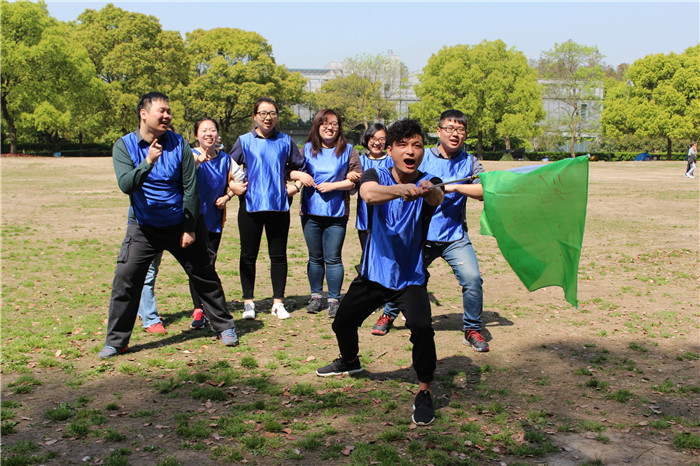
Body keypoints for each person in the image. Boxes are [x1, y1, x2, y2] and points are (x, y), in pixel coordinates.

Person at [316, 119, 444, 426]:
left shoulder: (429, 180)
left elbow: (439, 197)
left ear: (422, 150)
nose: (410, 151)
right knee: (342, 323)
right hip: (374, 274)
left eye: (416, 145)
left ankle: (424, 390)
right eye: (402, 145)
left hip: (410, 277)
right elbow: (368, 194)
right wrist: (400, 190)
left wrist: (427, 192)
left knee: (422, 329)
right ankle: (350, 362)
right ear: (390, 150)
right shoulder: (377, 173)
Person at [99, 92, 238, 359]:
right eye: (161, 111)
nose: (167, 116)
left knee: (204, 274)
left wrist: (188, 227)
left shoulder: (179, 145)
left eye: (168, 111)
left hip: (180, 223)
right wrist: (148, 162)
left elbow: (190, 188)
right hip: (143, 226)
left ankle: (225, 326)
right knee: (126, 281)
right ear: (144, 114)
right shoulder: (124, 146)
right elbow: (126, 184)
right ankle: (117, 341)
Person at [371, 109, 489, 353]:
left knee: (473, 279)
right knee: (404, 275)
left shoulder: (470, 162)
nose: (455, 134)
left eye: (460, 130)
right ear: (439, 131)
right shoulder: (423, 156)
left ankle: (472, 329)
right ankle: (389, 314)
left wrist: (456, 187)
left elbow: (484, 191)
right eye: (450, 129)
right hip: (420, 234)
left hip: (454, 235)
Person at [229, 97, 307, 320]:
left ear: (277, 116)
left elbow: (299, 167)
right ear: (255, 116)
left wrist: (297, 186)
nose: (267, 117)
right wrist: (233, 186)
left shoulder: (285, 141)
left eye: (272, 113)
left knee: (278, 256)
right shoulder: (244, 141)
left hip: (278, 206)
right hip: (251, 206)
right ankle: (248, 303)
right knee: (247, 256)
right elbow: (227, 166)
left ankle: (277, 303)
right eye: (262, 113)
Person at [293, 109, 362, 318]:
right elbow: (291, 170)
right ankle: (315, 296)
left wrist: (334, 186)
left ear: (339, 127)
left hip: (336, 213)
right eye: (324, 123)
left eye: (334, 123)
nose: (329, 127)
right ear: (317, 126)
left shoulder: (349, 150)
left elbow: (356, 179)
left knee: (333, 258)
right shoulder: (305, 149)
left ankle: (333, 299)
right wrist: (299, 175)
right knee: (315, 257)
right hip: (310, 212)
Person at [189, 117, 245, 329]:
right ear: (196, 136)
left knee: (209, 264)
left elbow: (240, 180)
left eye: (212, 130)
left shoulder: (225, 159)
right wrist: (195, 163)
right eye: (204, 130)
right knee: (196, 266)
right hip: (192, 221)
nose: (208, 134)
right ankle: (199, 310)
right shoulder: (190, 156)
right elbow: (179, 178)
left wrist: (228, 196)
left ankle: (206, 309)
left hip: (213, 221)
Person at [352, 123, 392, 254]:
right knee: (367, 255)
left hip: (389, 217)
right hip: (365, 217)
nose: (377, 142)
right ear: (367, 139)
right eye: (373, 138)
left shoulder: (392, 161)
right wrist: (350, 175)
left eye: (381, 139)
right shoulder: (360, 161)